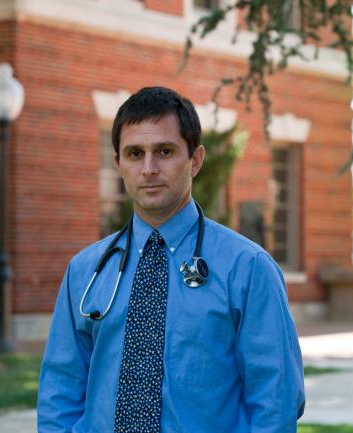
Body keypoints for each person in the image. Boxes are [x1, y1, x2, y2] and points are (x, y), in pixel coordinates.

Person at [37, 86, 305, 432]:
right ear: (118, 163)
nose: (149, 168)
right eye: (135, 154)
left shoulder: (248, 268)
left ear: (195, 160)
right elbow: (60, 391)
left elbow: (276, 400)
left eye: (164, 151)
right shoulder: (84, 271)